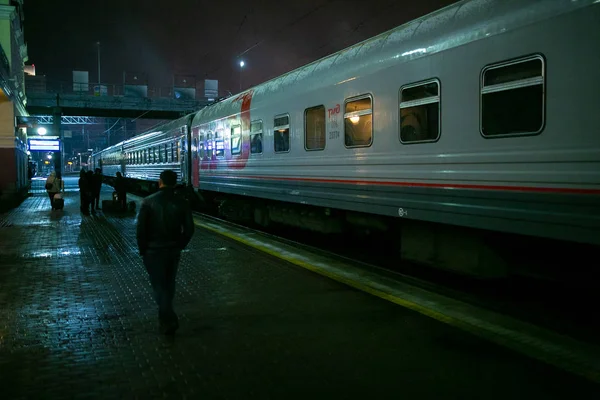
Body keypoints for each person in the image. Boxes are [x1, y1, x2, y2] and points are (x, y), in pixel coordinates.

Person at [136, 169, 194, 335]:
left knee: (159, 286)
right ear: (175, 183)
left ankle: (168, 319)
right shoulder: (182, 202)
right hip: (173, 250)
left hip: (153, 251)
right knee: (169, 284)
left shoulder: (147, 202)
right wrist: (180, 245)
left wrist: (143, 250)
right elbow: (189, 229)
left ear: (160, 181)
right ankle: (166, 319)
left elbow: (141, 231)